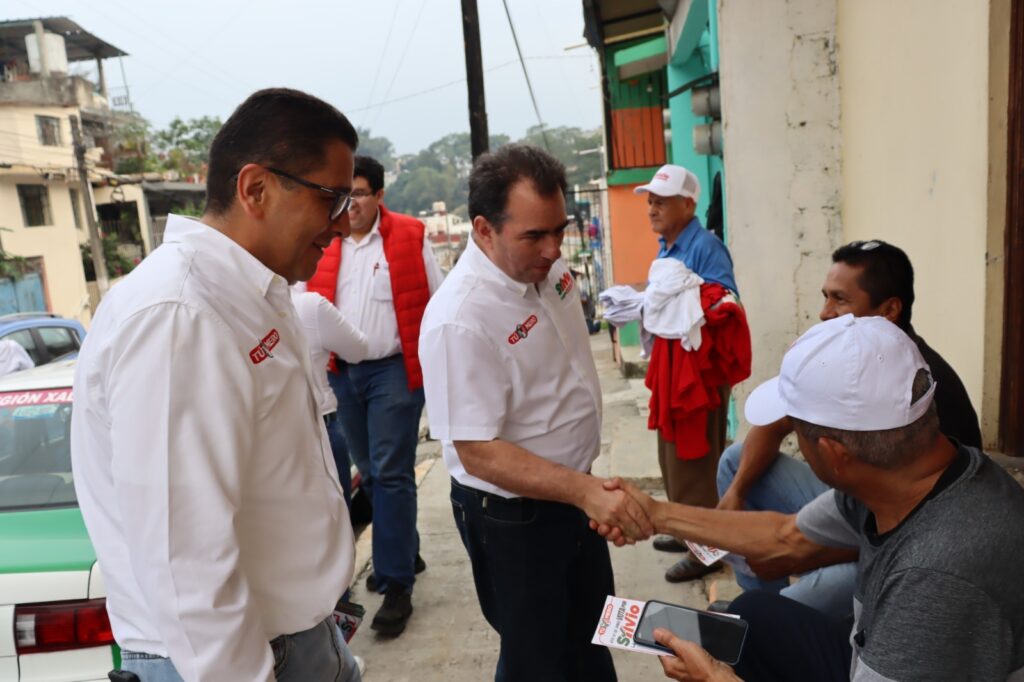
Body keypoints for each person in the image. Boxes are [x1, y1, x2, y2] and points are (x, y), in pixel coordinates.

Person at [71, 88, 363, 682]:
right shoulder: (179, 313)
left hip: (300, 635)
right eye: (331, 199)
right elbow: (185, 557)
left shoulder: (252, 292)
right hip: (237, 658)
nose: (342, 224)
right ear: (255, 189)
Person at [601, 315, 1024, 681]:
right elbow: (785, 537)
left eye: (794, 430)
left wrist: (715, 678)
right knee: (755, 615)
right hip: (879, 650)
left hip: (903, 648)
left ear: (834, 454)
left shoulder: (934, 580)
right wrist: (654, 513)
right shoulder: (906, 476)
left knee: (737, 648)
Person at [419, 144, 653, 681]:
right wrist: (583, 491)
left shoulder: (547, 267)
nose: (553, 249)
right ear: (484, 230)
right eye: (533, 236)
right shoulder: (460, 318)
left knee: (593, 635)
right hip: (516, 520)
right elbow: (477, 452)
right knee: (537, 661)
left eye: (559, 230)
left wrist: (583, 490)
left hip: (575, 495)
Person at [715, 239, 982, 618]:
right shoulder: (843, 353)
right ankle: (765, 606)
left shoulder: (917, 386)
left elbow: (898, 531)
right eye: (825, 296)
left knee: (778, 613)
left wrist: (798, 549)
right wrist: (735, 495)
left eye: (840, 299)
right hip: (857, 506)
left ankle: (780, 618)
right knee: (736, 462)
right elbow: (773, 422)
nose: (825, 312)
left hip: (903, 541)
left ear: (889, 309)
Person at [299, 154, 443, 637]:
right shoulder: (325, 239)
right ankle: (405, 549)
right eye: (344, 196)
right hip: (342, 374)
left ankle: (396, 583)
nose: (351, 205)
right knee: (370, 472)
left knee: (390, 471)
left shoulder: (410, 236)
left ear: (379, 195)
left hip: (393, 370)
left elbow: (436, 301)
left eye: (359, 194)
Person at [635, 164, 741, 583]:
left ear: (688, 205)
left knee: (695, 461)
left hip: (697, 376)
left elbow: (724, 304)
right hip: (673, 370)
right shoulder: (670, 245)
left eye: (661, 201)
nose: (652, 209)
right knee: (673, 457)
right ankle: (685, 531)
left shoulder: (705, 247)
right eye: (650, 201)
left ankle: (706, 553)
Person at [290, 288, 369, 507]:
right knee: (337, 519)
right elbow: (359, 349)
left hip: (271, 438)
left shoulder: (237, 310)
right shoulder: (309, 306)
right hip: (320, 426)